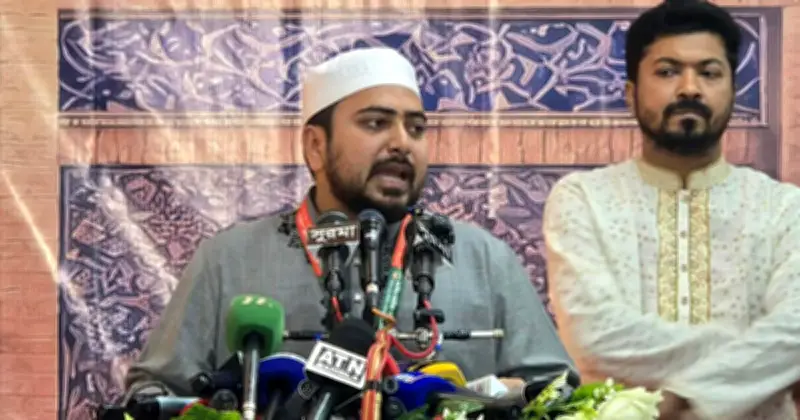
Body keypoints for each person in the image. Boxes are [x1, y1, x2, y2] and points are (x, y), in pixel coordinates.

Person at [125, 47, 575, 402]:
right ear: (315, 147)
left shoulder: (482, 258)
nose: (401, 143)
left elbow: (557, 392)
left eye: (416, 129)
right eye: (376, 123)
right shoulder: (230, 260)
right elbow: (154, 395)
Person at [543, 1, 800, 419]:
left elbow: (796, 331)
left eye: (709, 73)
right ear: (631, 94)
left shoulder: (785, 209)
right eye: (667, 72)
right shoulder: (583, 199)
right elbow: (594, 334)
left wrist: (685, 395)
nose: (690, 88)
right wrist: (758, 355)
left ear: (734, 91)